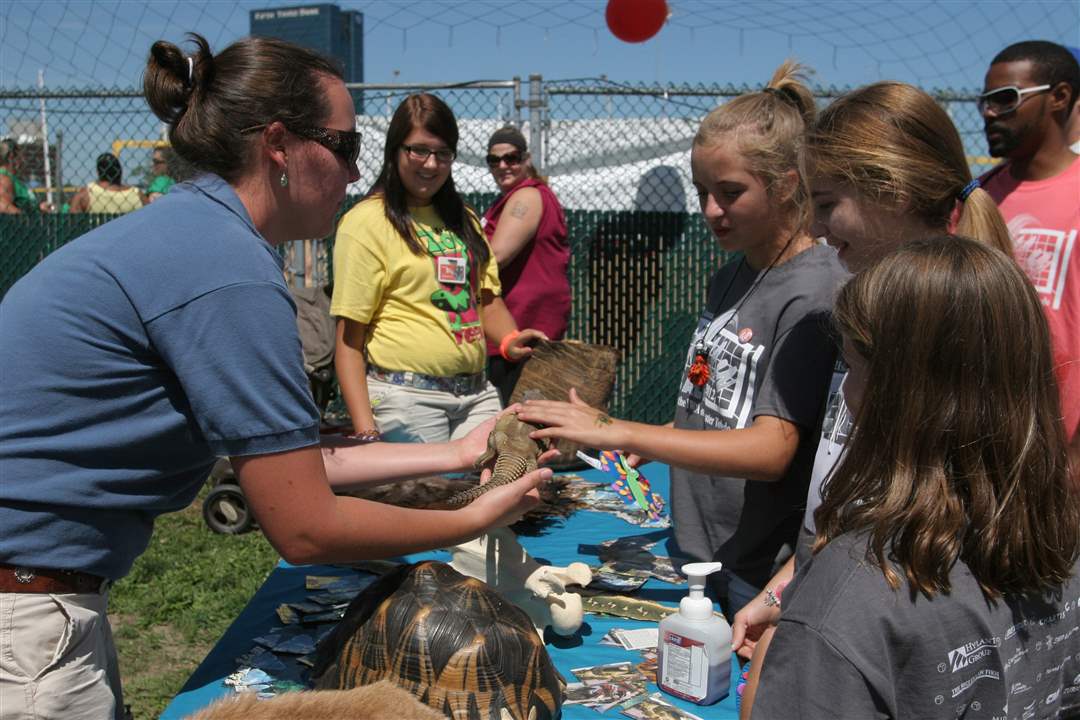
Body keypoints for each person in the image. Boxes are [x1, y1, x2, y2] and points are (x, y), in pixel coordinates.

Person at [0, 35, 548, 720]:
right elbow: (306, 525)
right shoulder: (226, 267)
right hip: (24, 617)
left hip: (39, 596)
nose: (357, 171)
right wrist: (469, 516)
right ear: (280, 145)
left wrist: (460, 453)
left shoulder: (199, 234)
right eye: (346, 146)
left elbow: (291, 460)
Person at [518, 61, 848, 616]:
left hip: (758, 569)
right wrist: (642, 441)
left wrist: (625, 430)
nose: (711, 211)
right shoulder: (730, 274)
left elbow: (772, 450)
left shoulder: (813, 292)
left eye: (730, 192)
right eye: (701, 191)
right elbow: (721, 413)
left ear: (788, 184)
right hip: (698, 547)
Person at [731, 80, 1013, 720]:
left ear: (891, 190)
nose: (813, 226)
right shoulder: (869, 306)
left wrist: (815, 628)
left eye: (828, 203)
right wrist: (787, 592)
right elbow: (850, 499)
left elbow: (930, 550)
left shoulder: (952, 332)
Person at [752, 237, 1080, 718]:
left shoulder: (854, 594)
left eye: (853, 367)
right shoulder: (1062, 542)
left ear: (898, 396)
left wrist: (776, 656)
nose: (845, 393)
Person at [331, 94, 546, 444]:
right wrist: (366, 429)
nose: (431, 164)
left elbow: (485, 300)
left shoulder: (465, 219)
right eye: (419, 150)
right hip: (407, 398)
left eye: (443, 153)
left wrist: (510, 340)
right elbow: (348, 341)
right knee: (434, 484)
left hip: (478, 395)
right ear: (394, 150)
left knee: (501, 477)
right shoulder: (366, 222)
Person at [978, 40, 1080, 472]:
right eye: (985, 101)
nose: (989, 112)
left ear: (1059, 97)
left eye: (1006, 99)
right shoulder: (976, 196)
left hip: (1061, 452)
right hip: (981, 442)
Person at [482, 125, 570, 405]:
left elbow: (496, 256)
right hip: (513, 330)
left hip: (524, 329)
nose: (503, 166)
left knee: (520, 416)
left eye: (511, 158)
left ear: (526, 159)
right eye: (494, 160)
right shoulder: (509, 198)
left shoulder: (527, 196)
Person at [68, 152, 147, 213]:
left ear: (98, 172)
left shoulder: (87, 193)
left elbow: (73, 221)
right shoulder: (137, 195)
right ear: (120, 171)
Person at [0, 139, 51, 214]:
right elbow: (2, 205)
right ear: (11, 156)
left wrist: (39, 208)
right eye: (20, 155)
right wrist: (25, 218)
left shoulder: (12, 178)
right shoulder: (4, 178)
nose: (23, 159)